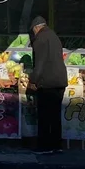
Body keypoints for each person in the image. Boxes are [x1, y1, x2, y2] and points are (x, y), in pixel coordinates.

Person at [29, 16, 67, 155]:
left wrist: (33, 80)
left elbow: (39, 64)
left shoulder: (40, 39)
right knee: (55, 116)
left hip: (47, 82)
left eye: (33, 31)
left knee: (44, 116)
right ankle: (57, 145)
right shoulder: (54, 36)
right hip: (60, 81)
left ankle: (44, 146)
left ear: (36, 28)